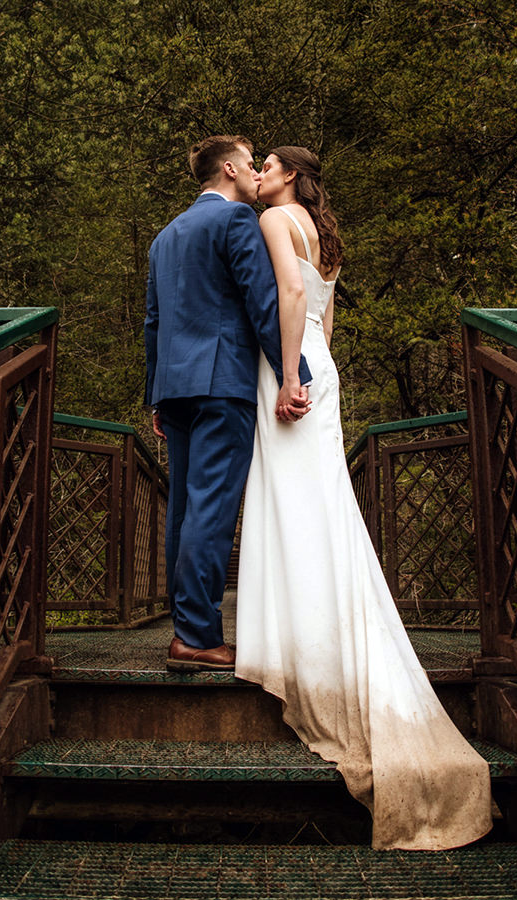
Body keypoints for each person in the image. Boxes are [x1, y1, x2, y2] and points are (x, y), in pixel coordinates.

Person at [234, 145, 491, 849]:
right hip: (324, 361)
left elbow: (288, 296)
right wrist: (319, 365)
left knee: (295, 506)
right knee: (321, 509)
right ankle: (315, 631)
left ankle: (300, 645)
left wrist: (289, 373)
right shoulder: (323, 228)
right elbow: (325, 309)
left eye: (266, 164)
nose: (257, 172)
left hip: (290, 364)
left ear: (286, 174)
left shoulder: (276, 221)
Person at [143, 135, 311, 671]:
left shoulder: (164, 237)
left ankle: (187, 625)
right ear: (233, 169)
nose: (255, 168)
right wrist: (296, 376)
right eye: (251, 159)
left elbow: (153, 323)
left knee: (187, 511)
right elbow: (264, 302)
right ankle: (195, 637)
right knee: (211, 508)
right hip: (222, 384)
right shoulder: (235, 222)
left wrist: (155, 397)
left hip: (174, 387)